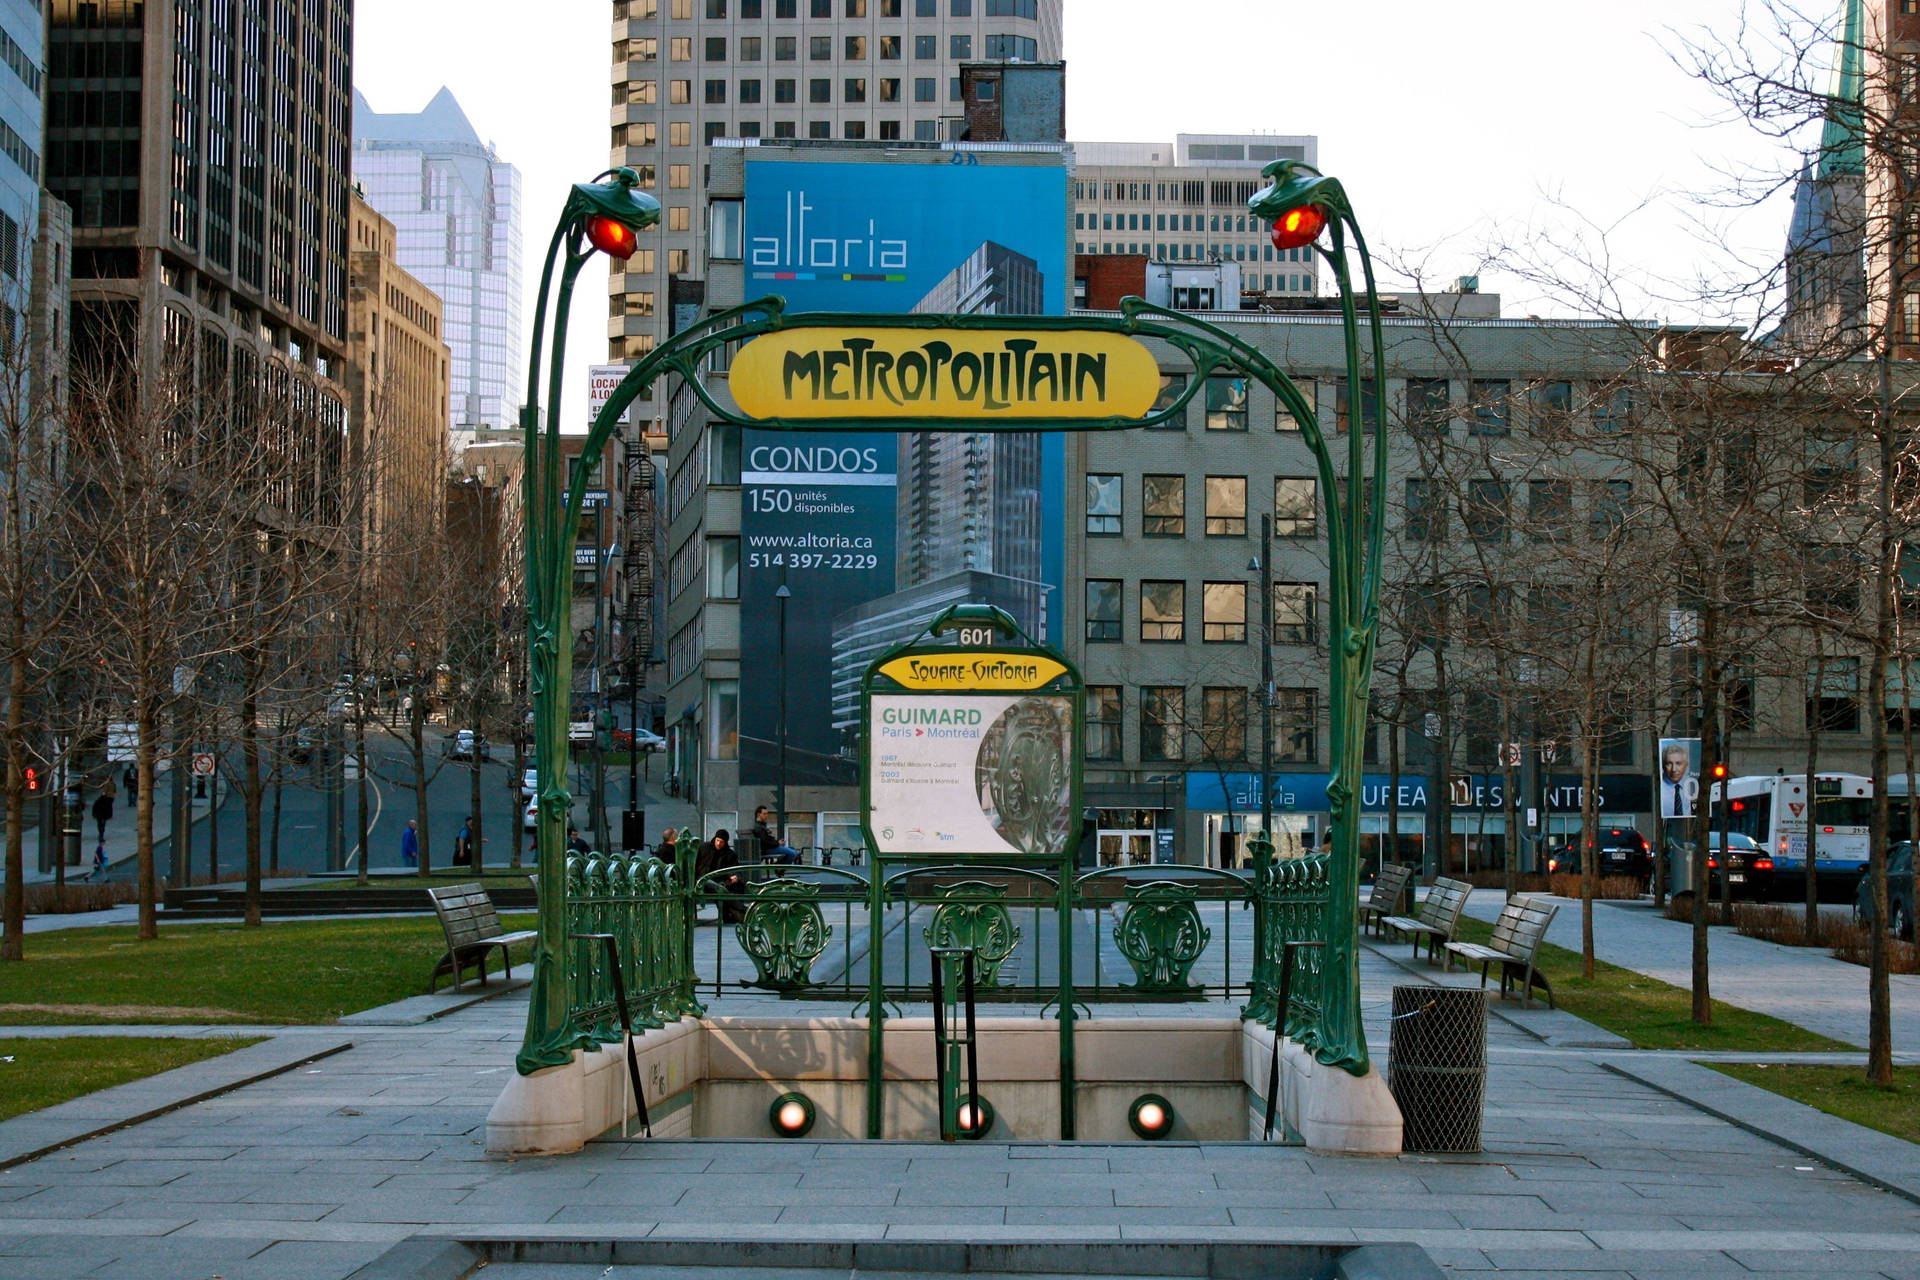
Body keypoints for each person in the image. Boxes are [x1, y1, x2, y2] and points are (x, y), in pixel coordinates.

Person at [697, 829, 745, 923]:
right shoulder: (704, 848)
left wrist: (734, 877)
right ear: (715, 839)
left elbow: (734, 868)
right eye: (717, 840)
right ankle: (743, 910)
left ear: (725, 842)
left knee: (735, 886)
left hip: (720, 881)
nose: (719, 843)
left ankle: (735, 915)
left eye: (721, 842)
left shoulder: (729, 854)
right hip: (703, 880)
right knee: (719, 889)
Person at [1661, 743, 1695, 820]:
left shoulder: (1692, 785)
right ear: (1663, 765)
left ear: (1686, 765)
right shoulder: (1659, 788)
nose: (1674, 769)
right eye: (1669, 764)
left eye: (1678, 763)